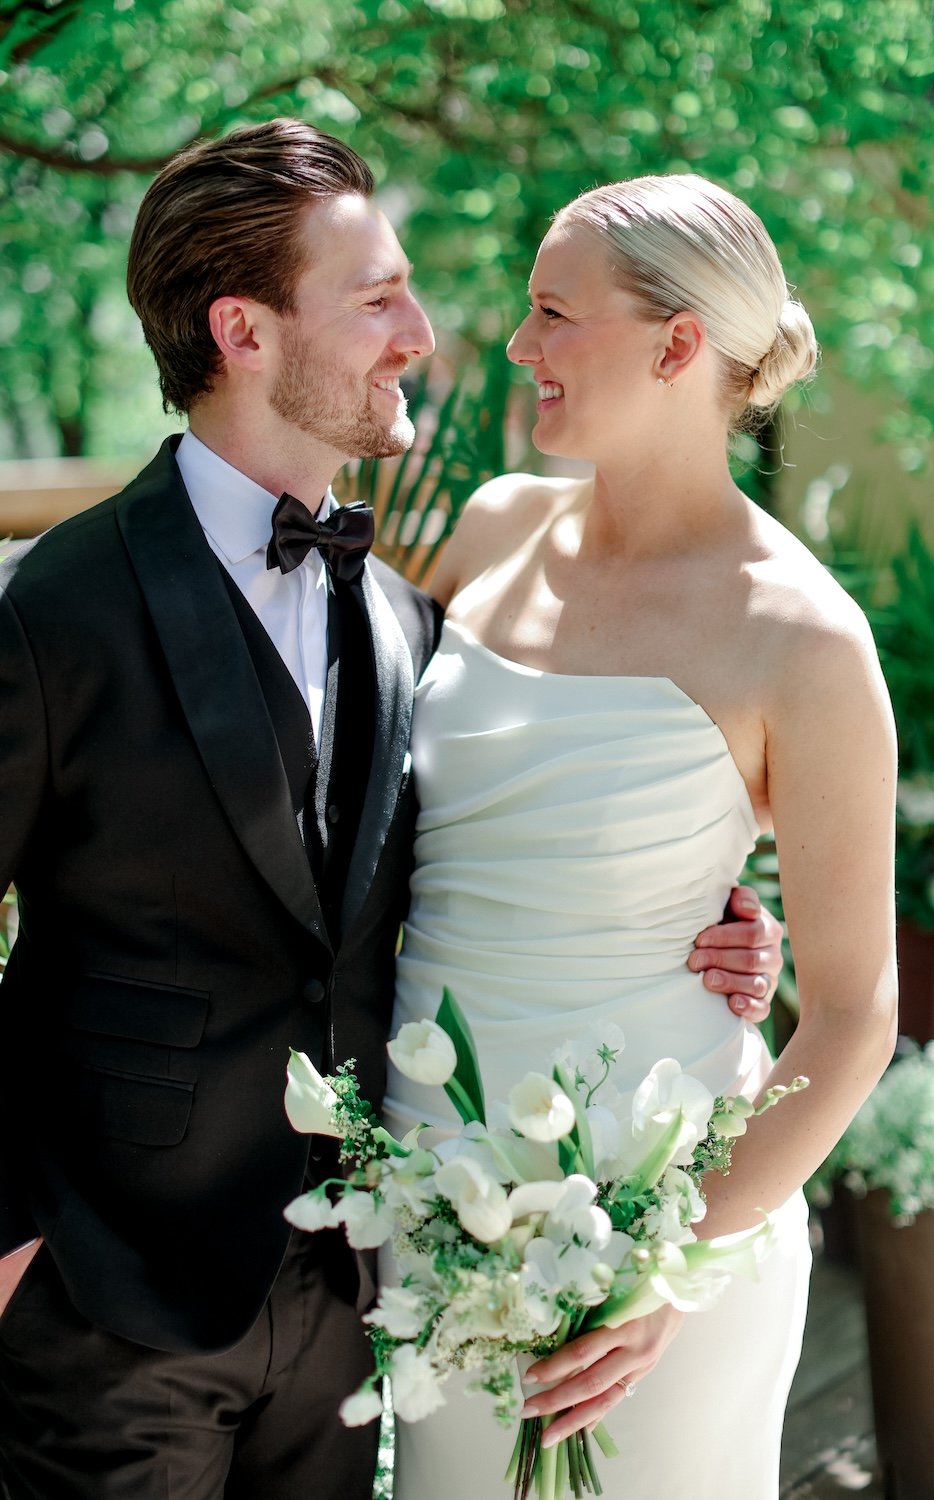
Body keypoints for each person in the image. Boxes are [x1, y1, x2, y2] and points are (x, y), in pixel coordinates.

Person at [0, 122, 779, 1499]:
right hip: (112, 1307)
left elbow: (465, 858)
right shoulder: (61, 607)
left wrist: (701, 925)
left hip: (363, 1303)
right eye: (374, 298)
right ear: (242, 330)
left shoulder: (409, 617)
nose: (418, 334)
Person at [384, 173, 898, 1499]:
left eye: (555, 314)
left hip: (649, 1236)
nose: (515, 345)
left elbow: (851, 1019)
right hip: (423, 1211)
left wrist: (668, 1265)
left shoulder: (801, 636)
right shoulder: (495, 528)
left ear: (679, 347)